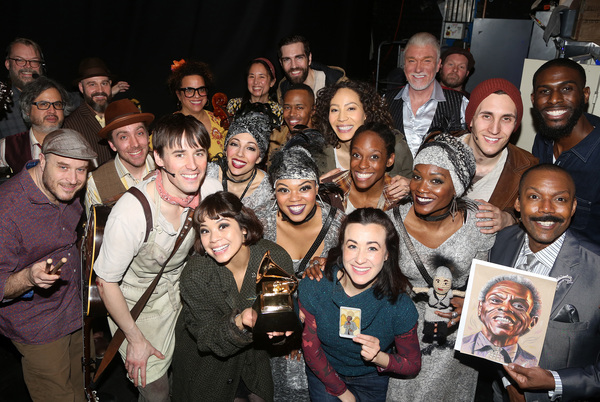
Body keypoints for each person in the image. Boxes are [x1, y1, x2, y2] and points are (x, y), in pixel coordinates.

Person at [93, 114, 221, 401]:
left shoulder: (210, 190)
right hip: (138, 304)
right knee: (157, 392)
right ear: (159, 158)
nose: (192, 165)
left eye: (199, 152)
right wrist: (135, 339)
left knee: (193, 378)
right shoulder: (132, 211)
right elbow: (105, 282)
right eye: (179, 154)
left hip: (183, 290)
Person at [385, 134, 496, 402]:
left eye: (437, 180)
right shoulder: (391, 221)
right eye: (417, 176)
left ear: (457, 186)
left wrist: (470, 305)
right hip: (405, 333)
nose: (422, 188)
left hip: (455, 338)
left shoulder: (478, 224)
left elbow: (488, 287)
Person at [0, 128, 98, 402]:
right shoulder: (7, 210)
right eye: (63, 167)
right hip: (38, 326)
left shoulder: (67, 189)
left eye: (81, 170)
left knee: (83, 389)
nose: (73, 179)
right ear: (41, 159)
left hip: (76, 311)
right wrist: (30, 277)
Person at [488, 164, 600, 402]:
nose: (546, 209)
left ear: (573, 207)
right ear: (518, 204)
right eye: (534, 197)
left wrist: (553, 381)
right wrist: (509, 382)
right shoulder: (500, 244)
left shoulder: (596, 269)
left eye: (559, 199)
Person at [171, 191, 295, 402]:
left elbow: (277, 325)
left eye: (222, 225)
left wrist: (279, 331)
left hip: (253, 362)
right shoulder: (195, 274)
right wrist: (241, 321)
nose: (213, 239)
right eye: (204, 230)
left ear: (244, 228)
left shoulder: (274, 259)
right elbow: (207, 337)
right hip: (205, 368)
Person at [299, 208, 421, 401]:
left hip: (372, 378)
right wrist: (343, 394)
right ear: (342, 247)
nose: (360, 259)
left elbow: (413, 364)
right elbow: (311, 351)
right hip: (325, 371)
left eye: (372, 248)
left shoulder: (400, 306)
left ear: (387, 253)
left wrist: (379, 357)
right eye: (353, 246)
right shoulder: (315, 285)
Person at [531, 58, 600, 246]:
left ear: (585, 95)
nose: (554, 99)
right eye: (544, 91)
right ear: (533, 99)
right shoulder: (543, 139)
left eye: (566, 89)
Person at [460, 78, 538, 234]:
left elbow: (537, 221)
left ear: (515, 125)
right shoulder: (437, 150)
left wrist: (510, 219)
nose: (495, 129)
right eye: (487, 116)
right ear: (471, 120)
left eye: (506, 119)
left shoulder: (528, 169)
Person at [313, 80, 413, 190]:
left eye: (351, 108)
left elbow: (418, 185)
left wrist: (410, 186)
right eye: (335, 110)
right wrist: (316, 190)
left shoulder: (395, 147)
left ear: (366, 113)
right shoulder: (318, 153)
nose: (341, 118)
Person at [386, 32, 468, 157]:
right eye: (412, 61)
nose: (418, 69)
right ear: (404, 64)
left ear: (438, 65)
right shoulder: (385, 101)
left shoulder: (460, 103)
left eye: (426, 61)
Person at [85, 99, 155, 212]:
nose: (135, 144)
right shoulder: (96, 181)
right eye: (124, 137)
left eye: (139, 133)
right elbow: (98, 228)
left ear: (148, 136)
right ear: (112, 144)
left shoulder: (166, 166)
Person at [461, 275, 540, 367]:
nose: (505, 308)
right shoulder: (462, 345)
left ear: (532, 322)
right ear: (480, 308)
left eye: (519, 306)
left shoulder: (532, 364)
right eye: (495, 300)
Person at [323, 122, 398, 213]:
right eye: (357, 155)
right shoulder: (328, 190)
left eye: (374, 157)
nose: (362, 165)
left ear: (390, 160)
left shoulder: (399, 201)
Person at [0, 77, 69, 173]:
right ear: (27, 109)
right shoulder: (6, 146)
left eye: (57, 104)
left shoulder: (76, 143)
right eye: (43, 104)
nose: (52, 111)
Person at [206, 111, 273, 209]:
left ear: (259, 158)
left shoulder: (267, 190)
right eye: (234, 144)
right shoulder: (206, 174)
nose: (240, 153)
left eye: (250, 148)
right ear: (225, 149)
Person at [63, 57, 117, 165]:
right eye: (92, 84)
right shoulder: (71, 126)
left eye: (104, 83)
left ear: (110, 85)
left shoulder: (122, 114)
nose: (100, 90)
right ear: (81, 88)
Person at [168, 59, 225, 158]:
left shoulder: (220, 122)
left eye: (201, 89)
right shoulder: (168, 127)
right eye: (189, 90)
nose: (197, 95)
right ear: (179, 95)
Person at [276, 34, 346, 102]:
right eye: (287, 60)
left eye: (299, 58)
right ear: (281, 63)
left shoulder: (337, 84)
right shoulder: (282, 91)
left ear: (309, 58)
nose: (294, 66)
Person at [0, 38, 45, 138]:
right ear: (8, 64)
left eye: (34, 61)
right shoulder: (2, 104)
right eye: (20, 60)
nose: (28, 66)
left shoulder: (55, 99)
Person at [227, 57, 282, 126]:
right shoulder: (234, 105)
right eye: (251, 76)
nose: (256, 82)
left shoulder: (278, 110)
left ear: (272, 82)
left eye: (261, 77)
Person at [268, 83, 315, 162]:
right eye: (287, 107)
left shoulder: (325, 140)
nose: (292, 113)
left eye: (299, 108)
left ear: (313, 110)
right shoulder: (276, 137)